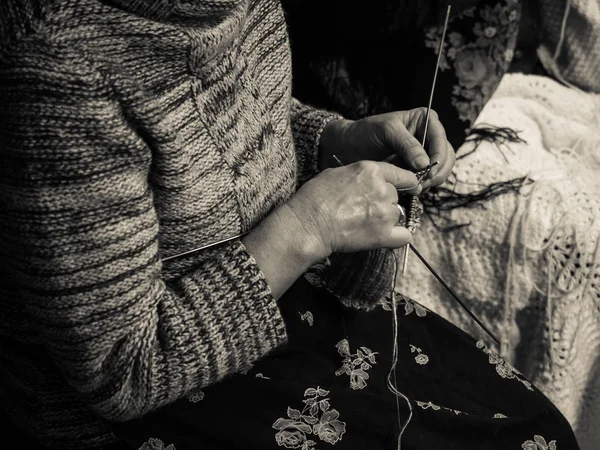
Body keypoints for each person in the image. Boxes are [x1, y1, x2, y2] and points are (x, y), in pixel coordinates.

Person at [0, 1, 579, 449]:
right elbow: (124, 372)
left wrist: (330, 139)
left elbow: (234, 126)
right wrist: (310, 226)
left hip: (277, 308)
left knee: (537, 428)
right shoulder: (56, 67)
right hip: (151, 410)